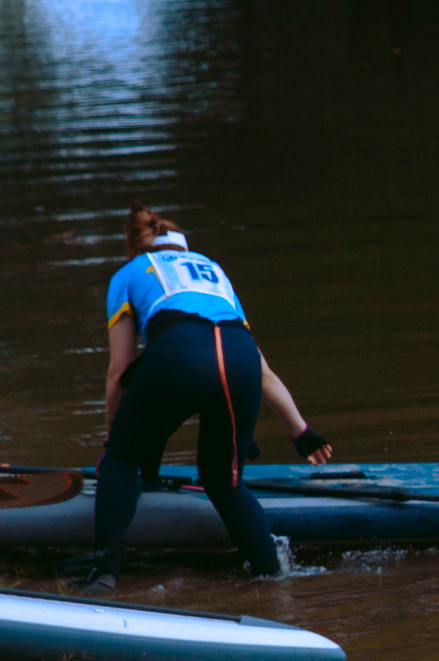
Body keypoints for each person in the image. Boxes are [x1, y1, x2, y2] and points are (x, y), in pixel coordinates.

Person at [73, 206, 334, 595]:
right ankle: (278, 583)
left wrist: (115, 447)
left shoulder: (128, 274)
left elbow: (121, 371)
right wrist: (301, 431)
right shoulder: (214, 271)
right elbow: (259, 367)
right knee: (225, 482)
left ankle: (104, 577)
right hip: (240, 358)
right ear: (182, 246)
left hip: (179, 353)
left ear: (137, 247)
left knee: (122, 462)